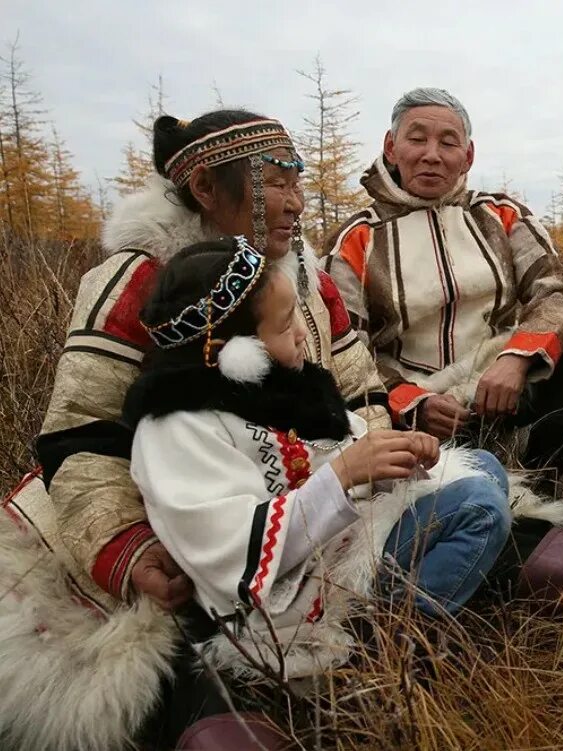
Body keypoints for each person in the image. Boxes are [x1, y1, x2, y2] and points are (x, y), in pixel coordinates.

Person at [0, 109, 390, 750]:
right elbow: (81, 432)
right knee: (160, 647)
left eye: (299, 183)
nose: (295, 202)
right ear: (207, 189)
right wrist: (123, 548)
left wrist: (365, 465)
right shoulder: (138, 278)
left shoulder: (307, 281)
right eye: (274, 183)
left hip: (303, 491)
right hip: (163, 506)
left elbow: (362, 391)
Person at [126, 237, 511, 688]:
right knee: (480, 509)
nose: (303, 333)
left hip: (342, 546)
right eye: (286, 322)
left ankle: (434, 590)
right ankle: (384, 649)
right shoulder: (175, 433)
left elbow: (347, 451)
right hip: (293, 600)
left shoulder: (277, 389)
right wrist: (345, 473)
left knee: (484, 465)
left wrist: (404, 456)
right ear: (235, 349)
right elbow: (229, 551)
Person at [325, 87, 563, 479]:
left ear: (467, 155)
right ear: (391, 147)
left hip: (503, 388)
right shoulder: (357, 238)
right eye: (417, 138)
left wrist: (517, 358)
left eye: (448, 142)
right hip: (414, 414)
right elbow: (345, 349)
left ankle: (543, 486)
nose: (431, 154)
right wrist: (413, 403)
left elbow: (555, 292)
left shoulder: (499, 215)